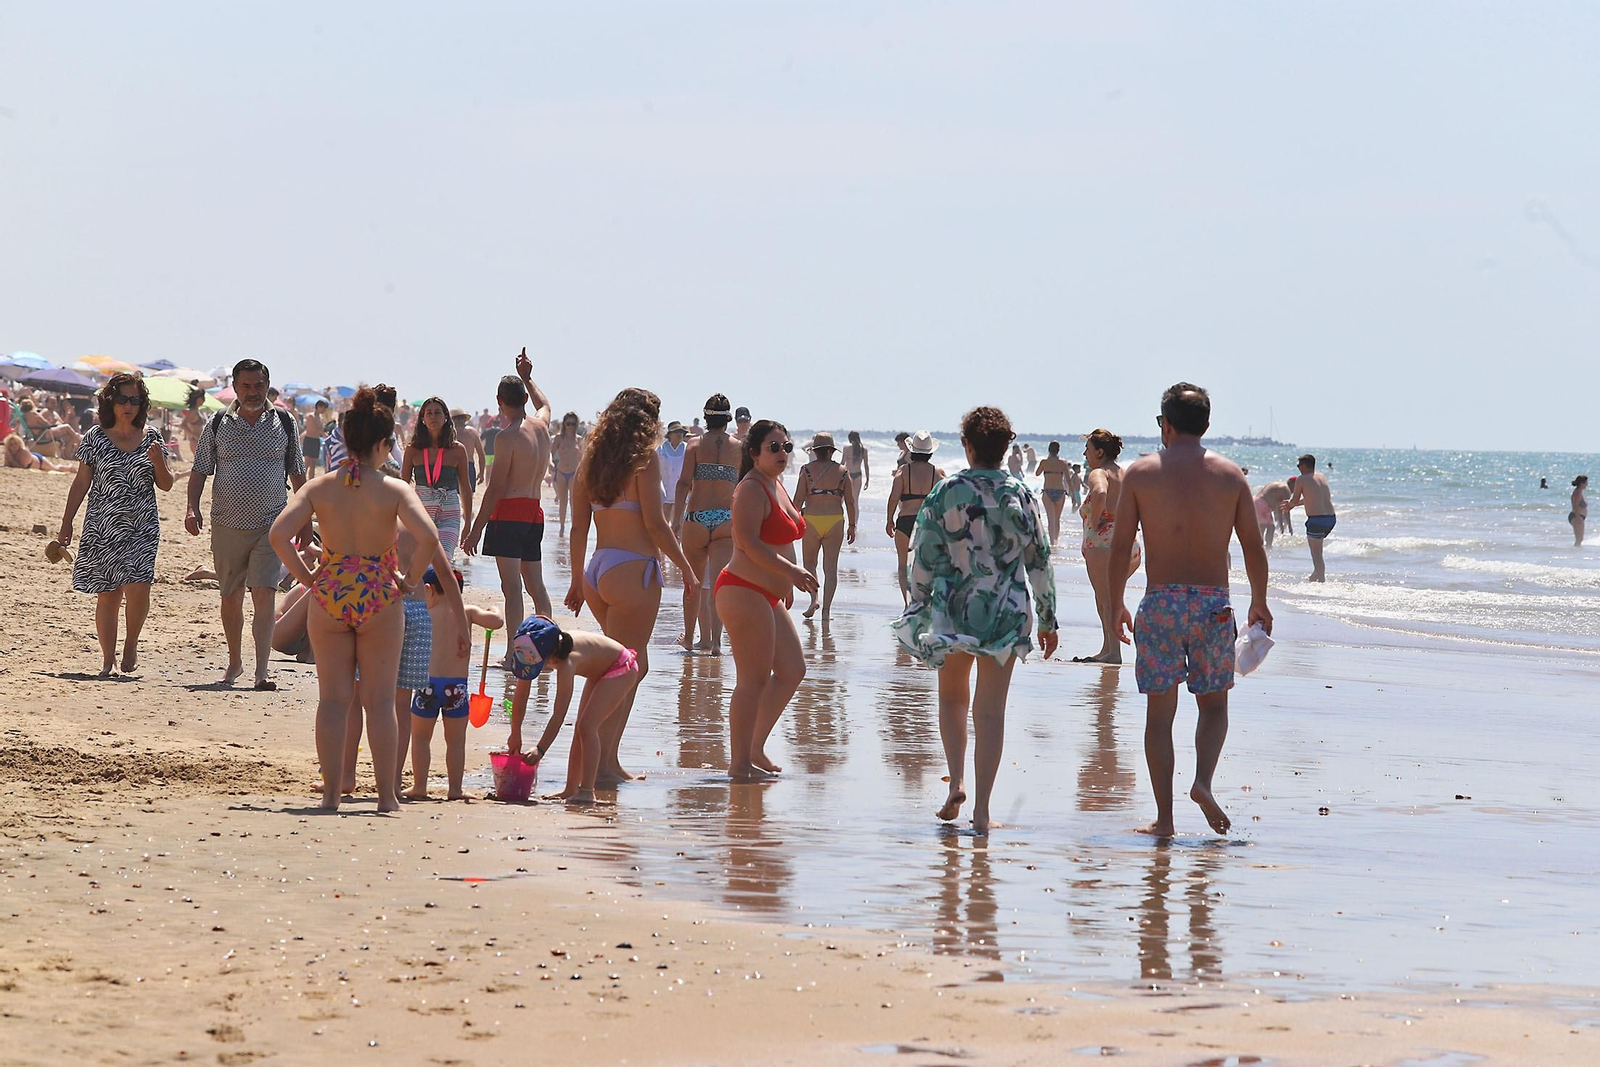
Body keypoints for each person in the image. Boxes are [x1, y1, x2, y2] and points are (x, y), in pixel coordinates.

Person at [268, 387, 454, 812]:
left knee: (333, 701)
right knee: (381, 701)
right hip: (379, 594)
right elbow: (427, 537)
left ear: (346, 441)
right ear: (384, 444)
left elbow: (279, 535)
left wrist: (308, 577)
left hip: (331, 592)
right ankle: (387, 797)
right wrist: (409, 581)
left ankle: (332, 794)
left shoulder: (320, 487)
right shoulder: (394, 490)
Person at [1106, 383, 1271, 837]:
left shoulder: (1140, 473)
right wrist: (1259, 599)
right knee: (1214, 706)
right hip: (1212, 604)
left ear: (1167, 424)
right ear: (1207, 426)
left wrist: (1115, 600)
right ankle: (1201, 782)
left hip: (1159, 603)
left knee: (1160, 716)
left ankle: (1165, 819)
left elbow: (1121, 547)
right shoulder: (1231, 475)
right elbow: (1253, 547)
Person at [891, 406, 1057, 836]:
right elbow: (1039, 556)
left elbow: (924, 550)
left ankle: (956, 781)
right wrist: (1047, 617)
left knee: (951, 700)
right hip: (1005, 610)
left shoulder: (947, 491)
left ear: (967, 445)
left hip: (952, 607)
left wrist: (918, 600)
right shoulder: (1021, 493)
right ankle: (982, 811)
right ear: (1005, 448)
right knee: (991, 712)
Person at [565, 388, 697, 787]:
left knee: (621, 666)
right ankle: (603, 763)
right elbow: (656, 524)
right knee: (626, 668)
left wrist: (576, 580)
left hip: (598, 571)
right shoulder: (645, 460)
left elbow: (577, 527)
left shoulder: (592, 461)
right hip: (632, 570)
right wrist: (688, 571)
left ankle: (605, 759)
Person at [187, 359, 308, 689]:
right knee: (230, 595)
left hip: (272, 524)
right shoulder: (217, 423)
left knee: (265, 594)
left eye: (259, 385)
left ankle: (261, 672)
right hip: (226, 522)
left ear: (268, 385)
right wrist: (191, 508)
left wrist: (306, 518)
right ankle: (235, 662)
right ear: (235, 388)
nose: (253, 392)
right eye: (246, 386)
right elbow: (200, 470)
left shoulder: (284, 421)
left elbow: (298, 471)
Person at [713, 420, 817, 780]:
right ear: (754, 452)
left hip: (767, 593)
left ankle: (754, 747)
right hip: (741, 589)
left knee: (792, 671)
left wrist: (783, 582)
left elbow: (778, 537)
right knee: (753, 680)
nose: (782, 454)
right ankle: (738, 764)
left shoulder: (777, 485)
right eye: (774, 447)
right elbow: (746, 542)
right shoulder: (751, 488)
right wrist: (791, 572)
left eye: (786, 447)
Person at [56, 373, 175, 676]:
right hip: (102, 525)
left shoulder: (152, 437)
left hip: (141, 525)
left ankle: (131, 644)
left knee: (139, 586)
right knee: (108, 593)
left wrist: (159, 462)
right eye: (122, 398)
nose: (128, 405)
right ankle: (107, 658)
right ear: (111, 401)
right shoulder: (95, 437)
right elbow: (82, 481)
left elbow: (166, 484)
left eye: (134, 399)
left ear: (142, 403)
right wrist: (67, 521)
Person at [504, 615, 643, 806]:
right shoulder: (533, 651)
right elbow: (520, 698)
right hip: (599, 670)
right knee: (581, 728)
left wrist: (540, 749)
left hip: (621, 667)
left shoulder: (567, 662)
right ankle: (570, 789)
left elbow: (558, 715)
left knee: (586, 727)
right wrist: (515, 733)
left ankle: (587, 791)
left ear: (549, 655)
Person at [464, 347, 555, 631]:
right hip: (534, 512)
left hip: (510, 514)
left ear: (499, 401)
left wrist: (476, 529)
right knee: (536, 586)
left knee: (512, 588)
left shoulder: (507, 437)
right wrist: (527, 377)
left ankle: (514, 652)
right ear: (525, 398)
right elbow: (546, 404)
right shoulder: (541, 426)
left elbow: (496, 488)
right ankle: (547, 644)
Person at [407, 566, 502, 800]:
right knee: (456, 742)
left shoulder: (424, 613)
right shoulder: (467, 612)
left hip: (426, 685)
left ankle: (419, 786)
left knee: (420, 738)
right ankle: (455, 789)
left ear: (428, 590)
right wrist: (493, 608)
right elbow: (497, 622)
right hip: (456, 688)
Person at [672, 394, 740, 654]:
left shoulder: (694, 445)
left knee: (693, 582)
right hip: (725, 519)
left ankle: (690, 638)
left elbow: (683, 484)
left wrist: (675, 521)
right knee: (719, 585)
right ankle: (716, 642)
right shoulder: (739, 446)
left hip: (697, 518)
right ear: (728, 418)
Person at [1076, 428, 1138, 664]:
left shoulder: (1098, 473)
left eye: (1088, 449)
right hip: (1128, 543)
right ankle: (1106, 648)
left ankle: (1114, 653)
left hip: (1103, 544)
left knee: (1107, 598)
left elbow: (1100, 493)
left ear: (1099, 452)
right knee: (1105, 597)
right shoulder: (1124, 473)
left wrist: (1095, 521)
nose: (1085, 454)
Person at [794, 432, 857, 618]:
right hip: (835, 520)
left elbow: (798, 499)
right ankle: (827, 610)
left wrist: (791, 520)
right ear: (831, 451)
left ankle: (814, 599)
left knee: (809, 564)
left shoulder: (806, 470)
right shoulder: (843, 471)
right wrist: (852, 525)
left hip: (811, 519)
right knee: (830, 568)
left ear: (815, 451)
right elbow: (851, 502)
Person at [403, 396, 473, 561]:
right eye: (429, 413)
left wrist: (468, 522)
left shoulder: (457, 449)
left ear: (445, 417)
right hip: (421, 513)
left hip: (449, 511)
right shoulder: (413, 449)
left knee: (443, 558)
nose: (433, 416)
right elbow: (403, 486)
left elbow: (465, 487)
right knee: (421, 559)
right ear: (423, 419)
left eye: (437, 413)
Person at [886, 432, 945, 606]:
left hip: (905, 521)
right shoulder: (937, 472)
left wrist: (889, 520)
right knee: (928, 565)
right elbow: (946, 497)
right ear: (930, 453)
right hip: (927, 523)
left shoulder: (904, 471)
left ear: (912, 451)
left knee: (903, 566)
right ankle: (925, 602)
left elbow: (893, 497)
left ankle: (907, 604)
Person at [1281, 454, 1336, 581]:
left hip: (1316, 520)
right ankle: (1315, 577)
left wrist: (1290, 505)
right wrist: (1294, 504)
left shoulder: (1302, 479)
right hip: (1331, 519)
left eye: (1298, 465)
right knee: (1318, 551)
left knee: (1316, 554)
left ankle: (1320, 580)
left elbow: (1294, 500)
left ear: (1304, 466)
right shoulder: (1321, 477)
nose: (1298, 468)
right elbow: (1312, 499)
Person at [551, 411, 584, 534]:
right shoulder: (559, 438)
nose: (570, 426)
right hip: (561, 471)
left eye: (572, 424)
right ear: (564, 424)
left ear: (576, 425)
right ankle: (562, 527)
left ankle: (574, 527)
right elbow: (551, 452)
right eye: (568, 423)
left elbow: (583, 457)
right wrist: (551, 465)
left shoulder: (579, 440)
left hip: (574, 472)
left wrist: (579, 453)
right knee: (562, 500)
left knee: (573, 501)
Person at [1033, 441, 1072, 545]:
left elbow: (1037, 473)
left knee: (1051, 519)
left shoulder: (1044, 462)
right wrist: (1073, 495)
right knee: (1057, 519)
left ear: (1049, 450)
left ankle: (1052, 543)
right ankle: (1056, 540)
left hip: (1047, 491)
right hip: (1060, 491)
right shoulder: (1063, 463)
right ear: (1058, 450)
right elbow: (1068, 480)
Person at [657, 420, 687, 530]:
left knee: (679, 522)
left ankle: (678, 546)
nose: (679, 434)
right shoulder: (660, 450)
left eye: (681, 432)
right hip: (665, 490)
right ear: (670, 434)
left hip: (682, 490)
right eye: (676, 432)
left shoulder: (687, 449)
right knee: (664, 521)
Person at [451, 408, 485, 490]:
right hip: (467, 465)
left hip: (453, 465)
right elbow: (481, 454)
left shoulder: (449, 432)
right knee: (468, 495)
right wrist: (481, 473)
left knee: (452, 495)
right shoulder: (472, 432)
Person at [4, 433, 72, 471]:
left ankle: (69, 468)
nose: (14, 446)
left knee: (55, 468)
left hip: (40, 461)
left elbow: (22, 467)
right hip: (32, 458)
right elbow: (6, 465)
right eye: (11, 445)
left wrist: (11, 460)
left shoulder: (23, 452)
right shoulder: (9, 453)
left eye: (16, 443)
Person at [1254, 482, 1291, 549]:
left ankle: (1262, 546)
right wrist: (1290, 526)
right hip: (1262, 504)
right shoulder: (1285, 490)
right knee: (1264, 527)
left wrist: (1281, 524)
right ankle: (1265, 547)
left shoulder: (1279, 486)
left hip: (1255, 501)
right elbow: (1285, 508)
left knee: (1270, 527)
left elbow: (1279, 508)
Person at [301, 399, 329, 475]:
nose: (324, 410)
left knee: (313, 464)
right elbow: (314, 427)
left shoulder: (321, 418)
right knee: (307, 462)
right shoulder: (310, 416)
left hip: (316, 440)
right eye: (324, 407)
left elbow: (321, 429)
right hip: (309, 440)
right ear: (319, 406)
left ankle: (311, 480)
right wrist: (323, 434)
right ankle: (302, 480)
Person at [180, 388, 208, 461]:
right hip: (195, 441)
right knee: (201, 465)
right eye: (203, 398)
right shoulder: (192, 411)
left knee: (202, 466)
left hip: (200, 440)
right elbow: (183, 425)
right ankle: (179, 473)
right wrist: (193, 434)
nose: (204, 400)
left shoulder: (198, 410)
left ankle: (179, 473)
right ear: (198, 399)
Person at [843, 430, 870, 503]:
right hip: (858, 475)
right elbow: (866, 466)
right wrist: (867, 479)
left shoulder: (846, 448)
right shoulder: (863, 450)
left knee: (842, 499)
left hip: (848, 474)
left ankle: (841, 514)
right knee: (855, 501)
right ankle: (855, 515)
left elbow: (842, 463)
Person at [1571, 476, 1589, 546]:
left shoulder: (1579, 492)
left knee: (1579, 539)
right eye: (1586, 483)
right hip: (1577, 516)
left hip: (1578, 516)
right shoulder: (1577, 492)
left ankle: (1576, 554)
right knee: (1579, 539)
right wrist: (1578, 517)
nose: (1587, 485)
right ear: (1582, 483)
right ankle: (1574, 554)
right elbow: (1575, 506)